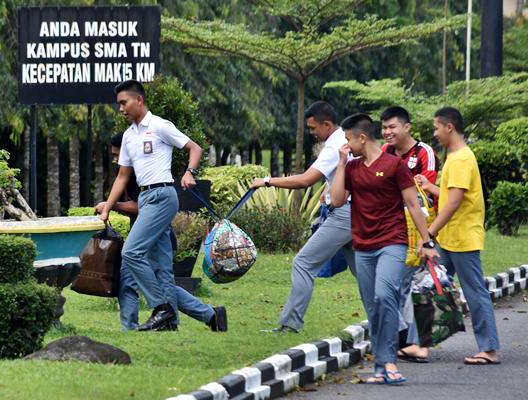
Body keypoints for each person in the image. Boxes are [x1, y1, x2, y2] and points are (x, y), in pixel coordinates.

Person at [99, 79, 222, 332]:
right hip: (145, 198)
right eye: (118, 104)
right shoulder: (128, 137)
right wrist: (108, 207)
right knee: (164, 271)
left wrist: (190, 172)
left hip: (163, 195)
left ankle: (161, 308)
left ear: (139, 100)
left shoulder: (159, 126)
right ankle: (189, 321)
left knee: (131, 253)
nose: (120, 109)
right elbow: (123, 176)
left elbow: (194, 148)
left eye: (124, 102)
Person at [330, 113, 439, 384]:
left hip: (392, 242)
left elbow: (414, 205)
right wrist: (342, 164)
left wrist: (427, 242)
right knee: (373, 307)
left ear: (362, 138)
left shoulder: (394, 165)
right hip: (363, 246)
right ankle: (381, 367)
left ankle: (389, 362)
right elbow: (336, 200)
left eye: (348, 139)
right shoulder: (353, 168)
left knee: (384, 297)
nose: (346, 144)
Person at [249, 101, 355, 333]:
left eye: (313, 128)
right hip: (355, 213)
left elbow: (305, 180)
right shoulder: (342, 140)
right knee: (366, 274)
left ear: (327, 124)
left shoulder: (334, 145)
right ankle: (395, 323)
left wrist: (267, 181)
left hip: (345, 215)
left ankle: (290, 324)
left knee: (303, 263)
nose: (311, 133)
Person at [416, 107, 501, 365]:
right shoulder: (454, 157)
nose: (435, 133)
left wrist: (428, 233)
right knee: (429, 287)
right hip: (451, 238)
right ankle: (419, 346)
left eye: (436, 128)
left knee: (474, 292)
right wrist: (431, 187)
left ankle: (489, 349)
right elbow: (453, 196)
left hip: (463, 239)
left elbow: (453, 204)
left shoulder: (462, 158)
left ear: (449, 127)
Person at [380, 106, 439, 362]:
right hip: (392, 226)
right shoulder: (385, 152)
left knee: (414, 283)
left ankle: (415, 342)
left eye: (392, 127)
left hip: (419, 227)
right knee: (399, 283)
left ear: (407, 127)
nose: (387, 132)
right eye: (384, 128)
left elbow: (422, 193)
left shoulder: (423, 153)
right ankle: (406, 339)